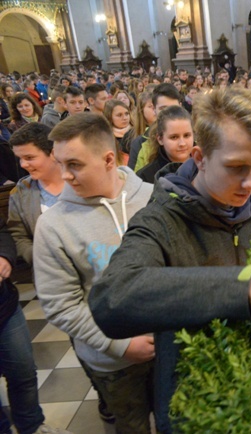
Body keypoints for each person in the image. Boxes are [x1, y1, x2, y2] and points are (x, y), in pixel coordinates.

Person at [88, 87, 251, 434]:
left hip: (250, 389)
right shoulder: (159, 220)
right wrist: (246, 287)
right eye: (236, 167)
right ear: (199, 158)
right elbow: (111, 299)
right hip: (192, 403)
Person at [33, 113, 155, 434]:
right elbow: (62, 305)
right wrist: (120, 345)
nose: (65, 175)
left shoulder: (153, 198)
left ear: (109, 159)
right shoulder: (54, 224)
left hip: (169, 347)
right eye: (59, 163)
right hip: (112, 363)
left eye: (74, 164)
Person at [0, 218, 72, 434]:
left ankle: (31, 426)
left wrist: (3, 256)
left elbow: (2, 232)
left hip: (4, 308)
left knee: (23, 372)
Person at [7, 123, 64, 265]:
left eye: (29, 158)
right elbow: (18, 235)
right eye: (19, 158)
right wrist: (38, 257)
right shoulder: (21, 192)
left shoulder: (80, 182)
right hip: (48, 270)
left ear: (53, 153)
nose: (23, 164)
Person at [137, 105, 193, 183]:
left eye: (187, 135)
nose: (182, 143)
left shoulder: (205, 166)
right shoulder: (145, 177)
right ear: (160, 139)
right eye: (174, 137)